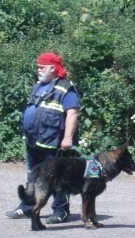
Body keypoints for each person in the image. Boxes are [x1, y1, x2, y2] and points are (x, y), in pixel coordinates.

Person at [6, 52, 80, 224]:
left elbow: (72, 113)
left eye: (42, 67)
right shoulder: (39, 85)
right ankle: (27, 207)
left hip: (53, 143)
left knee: (58, 180)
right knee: (32, 176)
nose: (38, 70)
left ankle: (61, 211)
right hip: (34, 141)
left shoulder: (66, 87)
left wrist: (67, 138)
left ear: (53, 68)